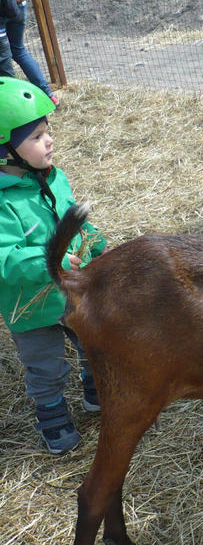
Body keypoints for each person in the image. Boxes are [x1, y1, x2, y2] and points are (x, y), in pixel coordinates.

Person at [0, 77, 106, 454]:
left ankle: (96, 395)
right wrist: (51, 259)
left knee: (94, 344)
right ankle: (54, 420)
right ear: (4, 152)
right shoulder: (3, 204)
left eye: (48, 131)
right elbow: (5, 258)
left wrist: (93, 241)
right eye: (35, 136)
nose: (49, 141)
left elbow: (71, 219)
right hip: (30, 307)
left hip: (72, 290)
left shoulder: (54, 178)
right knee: (46, 368)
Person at [0, 0, 58, 105]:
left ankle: (14, 104)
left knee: (5, 57)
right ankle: (49, 95)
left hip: (3, 6)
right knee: (18, 49)